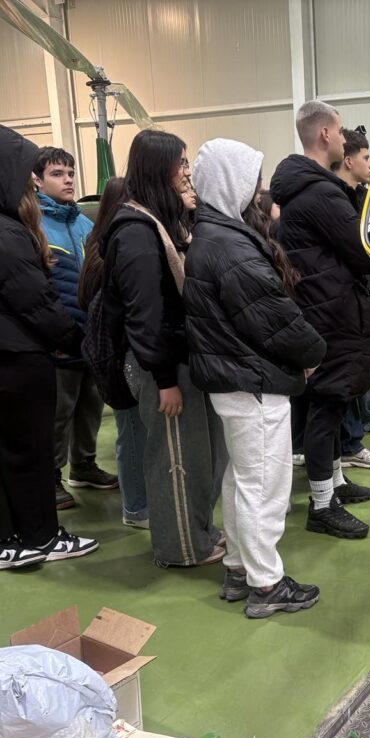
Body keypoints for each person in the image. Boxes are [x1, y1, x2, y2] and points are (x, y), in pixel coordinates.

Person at [0, 122, 97, 569]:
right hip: (17, 357)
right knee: (30, 450)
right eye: (22, 170)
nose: (28, 180)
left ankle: (4, 540)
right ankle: (41, 537)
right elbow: (36, 300)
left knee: (4, 449)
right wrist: (73, 341)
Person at [185, 137, 326, 618]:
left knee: (242, 479)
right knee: (264, 485)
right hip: (253, 382)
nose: (261, 191)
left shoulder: (212, 235)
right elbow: (273, 317)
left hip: (234, 381)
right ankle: (266, 584)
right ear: (232, 183)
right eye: (254, 181)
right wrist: (314, 352)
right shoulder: (229, 246)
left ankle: (238, 569)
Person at [102, 129, 226, 566]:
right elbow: (144, 315)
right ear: (160, 169)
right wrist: (165, 379)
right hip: (161, 368)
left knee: (198, 459)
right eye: (181, 164)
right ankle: (180, 550)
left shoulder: (162, 224)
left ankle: (198, 533)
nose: (187, 173)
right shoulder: (135, 232)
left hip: (177, 360)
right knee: (176, 463)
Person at [270, 100, 370, 540]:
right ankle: (321, 504)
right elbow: (366, 254)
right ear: (325, 135)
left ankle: (334, 481)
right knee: (326, 407)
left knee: (333, 404)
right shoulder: (321, 194)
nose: (344, 137)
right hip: (331, 313)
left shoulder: (305, 190)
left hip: (324, 309)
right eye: (340, 129)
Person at [34, 147, 118, 510]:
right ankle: (51, 476)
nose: (67, 179)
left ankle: (83, 465)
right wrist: (56, 331)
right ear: (37, 181)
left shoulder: (85, 224)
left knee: (91, 403)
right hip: (57, 338)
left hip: (90, 334)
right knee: (59, 410)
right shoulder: (34, 226)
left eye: (70, 172)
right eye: (57, 173)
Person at [79, 177, 149, 531]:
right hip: (118, 354)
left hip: (115, 353)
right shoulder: (110, 252)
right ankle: (136, 507)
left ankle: (139, 502)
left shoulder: (98, 246)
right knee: (132, 433)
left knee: (132, 431)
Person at [333, 127, 370, 472]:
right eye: (366, 157)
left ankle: (352, 439)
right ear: (349, 160)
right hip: (342, 305)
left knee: (359, 372)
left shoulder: (358, 199)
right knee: (346, 378)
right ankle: (348, 446)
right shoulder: (334, 201)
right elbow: (359, 254)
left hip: (360, 300)